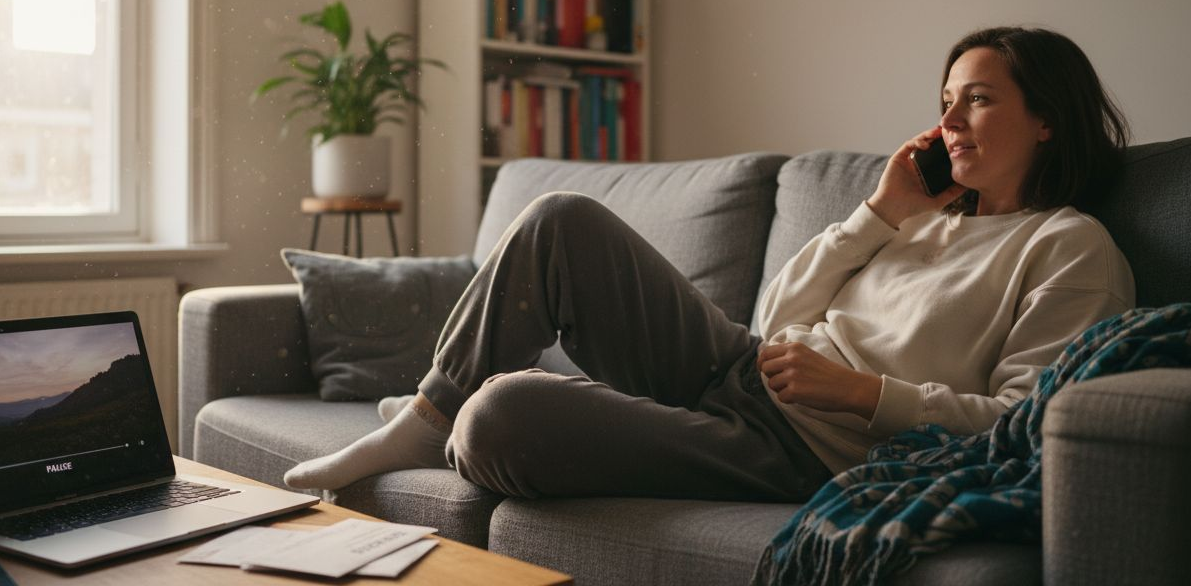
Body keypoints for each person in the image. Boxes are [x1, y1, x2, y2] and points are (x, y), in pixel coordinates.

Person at [284, 26, 1135, 500]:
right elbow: (774, 319)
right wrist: (879, 213)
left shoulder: (1068, 249)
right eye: (946, 102)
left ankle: (458, 417)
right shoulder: (918, 215)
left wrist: (860, 392)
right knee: (560, 220)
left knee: (500, 418)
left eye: (978, 100)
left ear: (1048, 118)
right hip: (737, 366)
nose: (950, 121)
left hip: (808, 450)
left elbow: (1023, 429)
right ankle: (420, 420)